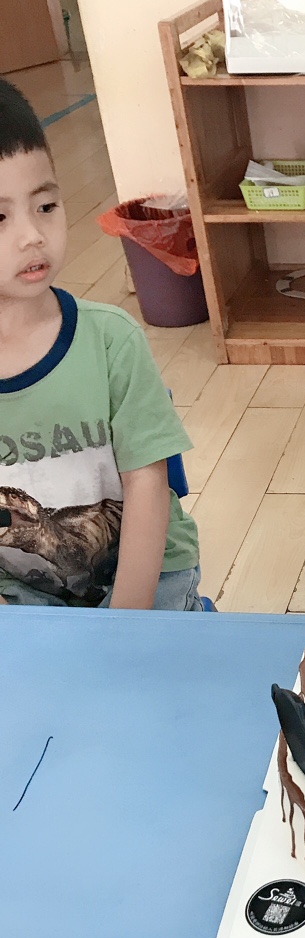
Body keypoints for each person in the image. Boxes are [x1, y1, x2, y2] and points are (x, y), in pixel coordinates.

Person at [0, 78, 202, 609]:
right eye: (0, 216)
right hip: (25, 588)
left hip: (145, 571)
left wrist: (123, 623)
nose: (32, 235)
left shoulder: (111, 339)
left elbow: (148, 483)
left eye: (45, 206)